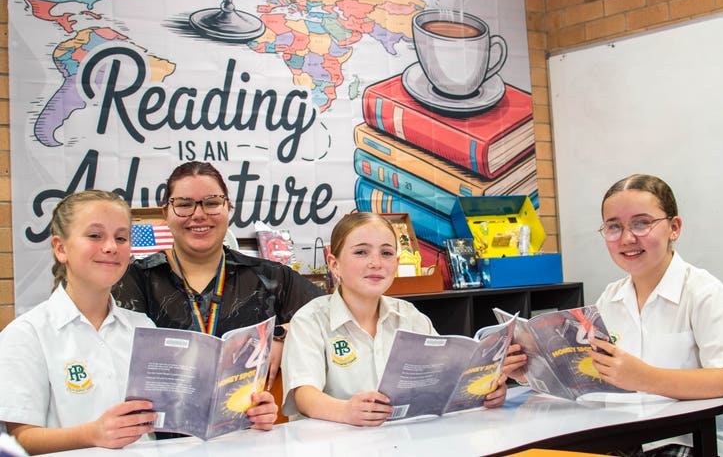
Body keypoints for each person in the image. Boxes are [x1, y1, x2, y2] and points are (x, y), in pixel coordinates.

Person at [111, 161, 324, 411]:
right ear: (165, 213)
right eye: (184, 205)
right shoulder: (134, 281)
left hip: (251, 433)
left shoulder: (269, 278)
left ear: (228, 208)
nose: (199, 214)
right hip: (162, 439)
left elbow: (329, 313)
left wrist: (282, 334)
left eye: (211, 203)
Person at [281, 212, 509, 426]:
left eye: (386, 253)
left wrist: (483, 390)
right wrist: (346, 411)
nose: (376, 263)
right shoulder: (310, 320)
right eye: (361, 252)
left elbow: (449, 377)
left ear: (396, 263)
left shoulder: (410, 316)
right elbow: (304, 395)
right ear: (334, 264)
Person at [589, 174, 723, 456]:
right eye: (614, 227)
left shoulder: (703, 292)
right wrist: (533, 370)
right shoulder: (609, 299)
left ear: (674, 228)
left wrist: (645, 377)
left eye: (641, 223)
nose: (627, 238)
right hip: (624, 439)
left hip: (695, 442)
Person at [0, 190, 158, 454]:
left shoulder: (143, 328)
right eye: (95, 236)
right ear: (61, 248)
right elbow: (20, 440)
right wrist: (92, 434)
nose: (110, 247)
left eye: (121, 238)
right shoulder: (27, 334)